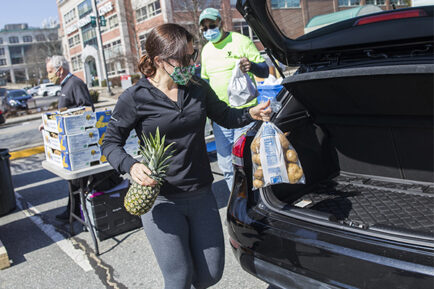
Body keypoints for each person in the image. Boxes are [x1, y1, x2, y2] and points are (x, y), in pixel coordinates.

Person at [101, 24, 271, 289]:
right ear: (159, 61)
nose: (191, 63)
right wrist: (131, 165)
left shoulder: (197, 87)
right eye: (184, 58)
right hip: (161, 199)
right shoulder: (134, 98)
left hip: (201, 194)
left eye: (193, 56)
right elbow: (110, 143)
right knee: (179, 278)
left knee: (210, 275)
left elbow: (225, 116)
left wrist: (251, 113)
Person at [199, 8, 269, 191]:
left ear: (221, 23)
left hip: (245, 115)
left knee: (247, 162)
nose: (208, 31)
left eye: (212, 26)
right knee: (226, 166)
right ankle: (238, 201)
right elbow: (205, 81)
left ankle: (256, 201)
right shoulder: (206, 50)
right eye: (204, 28)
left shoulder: (241, 41)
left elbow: (265, 70)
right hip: (220, 118)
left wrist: (251, 66)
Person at [40, 55, 94, 220]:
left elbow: (87, 109)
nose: (49, 75)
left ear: (60, 70)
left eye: (50, 71)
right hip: (70, 144)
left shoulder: (75, 84)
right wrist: (50, 124)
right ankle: (73, 211)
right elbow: (66, 111)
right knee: (74, 183)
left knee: (78, 183)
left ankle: (76, 212)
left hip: (79, 144)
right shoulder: (65, 85)